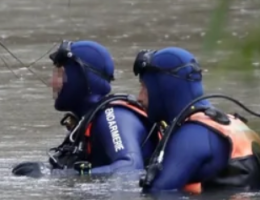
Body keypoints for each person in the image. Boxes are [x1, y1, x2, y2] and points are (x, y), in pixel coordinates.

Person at [9, 39, 156, 178]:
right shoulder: (85, 122)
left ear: (79, 78)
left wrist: (57, 175)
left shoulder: (113, 116)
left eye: (60, 74)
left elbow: (130, 168)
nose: (52, 83)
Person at [133, 47, 260, 193]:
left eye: (144, 87)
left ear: (164, 89)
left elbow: (155, 195)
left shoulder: (191, 136)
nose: (139, 97)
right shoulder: (229, 123)